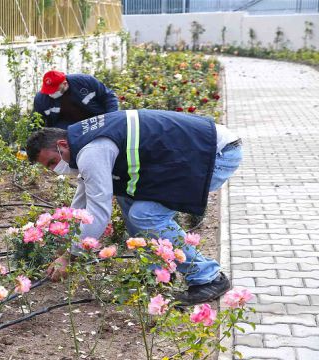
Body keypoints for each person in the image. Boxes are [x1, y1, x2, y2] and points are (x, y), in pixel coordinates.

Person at [25, 109, 243, 306]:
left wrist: (71, 256)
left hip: (215, 154)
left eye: (52, 162)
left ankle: (208, 277)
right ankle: (158, 270)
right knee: (126, 198)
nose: (55, 169)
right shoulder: (82, 139)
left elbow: (97, 214)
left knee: (146, 216)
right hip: (200, 149)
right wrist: (67, 242)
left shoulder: (92, 151)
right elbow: (83, 200)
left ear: (62, 145)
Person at [33, 70, 119, 129]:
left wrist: (111, 119)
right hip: (67, 129)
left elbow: (108, 97)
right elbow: (35, 123)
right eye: (48, 91)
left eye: (54, 90)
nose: (50, 93)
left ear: (65, 84)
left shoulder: (85, 81)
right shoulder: (41, 99)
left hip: (96, 120)